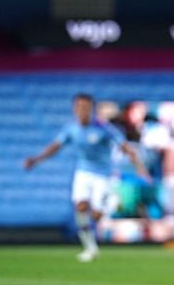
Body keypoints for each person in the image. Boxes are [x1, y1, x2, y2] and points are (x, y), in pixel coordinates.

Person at [24, 93, 150, 262]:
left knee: (96, 215)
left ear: (91, 109)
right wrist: (37, 159)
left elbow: (125, 146)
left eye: (86, 107)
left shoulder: (103, 128)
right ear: (74, 109)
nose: (82, 110)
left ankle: (107, 205)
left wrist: (140, 168)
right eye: (79, 107)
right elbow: (56, 146)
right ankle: (90, 248)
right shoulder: (71, 129)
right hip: (83, 172)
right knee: (81, 207)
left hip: (104, 175)